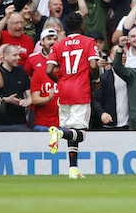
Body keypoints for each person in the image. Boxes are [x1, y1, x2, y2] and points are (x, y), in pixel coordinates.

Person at [46, 11, 99, 179]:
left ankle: (73, 169)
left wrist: (60, 81)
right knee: (81, 134)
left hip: (63, 92)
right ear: (82, 26)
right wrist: (96, 79)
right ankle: (59, 134)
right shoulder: (88, 41)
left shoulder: (58, 45)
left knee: (73, 131)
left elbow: (48, 70)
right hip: (80, 90)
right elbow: (93, 65)